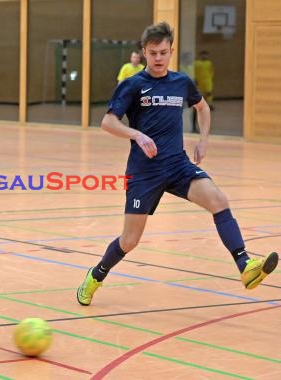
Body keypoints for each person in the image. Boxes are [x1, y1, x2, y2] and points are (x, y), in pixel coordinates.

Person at [77, 22, 278, 307]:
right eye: (152, 53)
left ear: (171, 51)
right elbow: (107, 122)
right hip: (144, 173)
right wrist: (136, 133)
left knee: (218, 200)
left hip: (177, 165)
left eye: (163, 52)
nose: (158, 58)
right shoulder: (133, 85)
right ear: (144, 52)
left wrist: (204, 139)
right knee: (130, 241)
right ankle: (96, 274)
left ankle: (245, 265)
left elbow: (203, 107)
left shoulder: (182, 82)